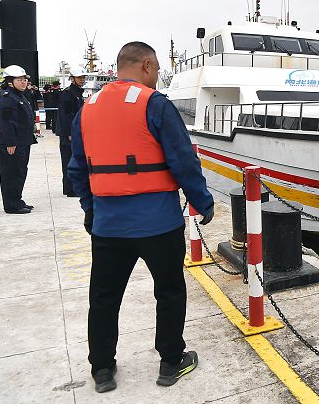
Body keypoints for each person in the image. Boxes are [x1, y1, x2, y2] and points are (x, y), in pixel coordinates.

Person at [67, 41, 214, 393]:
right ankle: (171, 361)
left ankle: (102, 368)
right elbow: (183, 161)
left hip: (108, 226)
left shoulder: (88, 108)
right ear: (146, 65)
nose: (158, 76)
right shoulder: (156, 105)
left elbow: (76, 169)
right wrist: (203, 203)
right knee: (169, 290)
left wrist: (92, 210)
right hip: (159, 224)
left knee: (103, 297)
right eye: (158, 69)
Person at [0, 65, 36, 214]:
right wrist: (10, 142)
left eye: (24, 79)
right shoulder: (7, 99)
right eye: (20, 79)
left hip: (22, 142)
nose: (24, 82)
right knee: (10, 174)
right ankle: (11, 205)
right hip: (11, 144)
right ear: (10, 82)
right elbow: (6, 123)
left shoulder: (19, 97)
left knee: (19, 172)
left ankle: (17, 200)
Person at [58, 69, 87, 197]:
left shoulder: (77, 93)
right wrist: (70, 133)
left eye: (83, 77)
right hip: (68, 134)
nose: (82, 79)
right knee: (69, 160)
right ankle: (70, 189)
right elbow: (66, 115)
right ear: (72, 79)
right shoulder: (68, 94)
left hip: (75, 131)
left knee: (74, 159)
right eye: (79, 77)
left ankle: (71, 187)